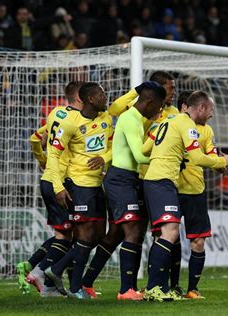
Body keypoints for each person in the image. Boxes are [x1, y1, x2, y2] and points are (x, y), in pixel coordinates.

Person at [141, 91, 228, 301]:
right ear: (200, 108)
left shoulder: (169, 121)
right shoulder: (186, 124)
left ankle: (160, 288)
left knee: (171, 233)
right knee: (168, 234)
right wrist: (223, 161)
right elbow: (196, 156)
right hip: (164, 182)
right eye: (210, 110)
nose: (211, 115)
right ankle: (155, 287)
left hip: (165, 182)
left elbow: (144, 149)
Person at [45, 82, 113, 299]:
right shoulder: (70, 123)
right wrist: (58, 187)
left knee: (98, 235)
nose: (105, 96)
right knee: (84, 235)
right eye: (101, 94)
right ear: (90, 99)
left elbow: (112, 149)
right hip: (78, 183)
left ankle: (57, 270)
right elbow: (53, 155)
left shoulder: (106, 119)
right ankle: (75, 288)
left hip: (96, 185)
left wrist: (104, 158)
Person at [16, 81, 84, 296]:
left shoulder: (56, 114)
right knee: (68, 237)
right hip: (60, 181)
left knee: (65, 233)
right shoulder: (75, 120)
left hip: (48, 178)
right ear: (81, 98)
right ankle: (38, 271)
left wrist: (41, 159)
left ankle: (44, 282)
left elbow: (34, 138)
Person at [104, 82, 165, 300]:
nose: (159, 110)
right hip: (119, 179)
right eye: (159, 106)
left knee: (136, 233)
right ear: (149, 102)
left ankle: (128, 287)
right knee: (130, 231)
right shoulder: (129, 119)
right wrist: (166, 157)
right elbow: (139, 156)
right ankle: (124, 290)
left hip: (131, 180)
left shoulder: (139, 120)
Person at [173, 91, 221, 299]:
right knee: (167, 239)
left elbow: (211, 152)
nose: (211, 114)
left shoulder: (206, 131)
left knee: (199, 241)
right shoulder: (173, 124)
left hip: (195, 191)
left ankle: (192, 289)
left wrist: (219, 163)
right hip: (171, 190)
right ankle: (170, 286)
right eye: (210, 109)